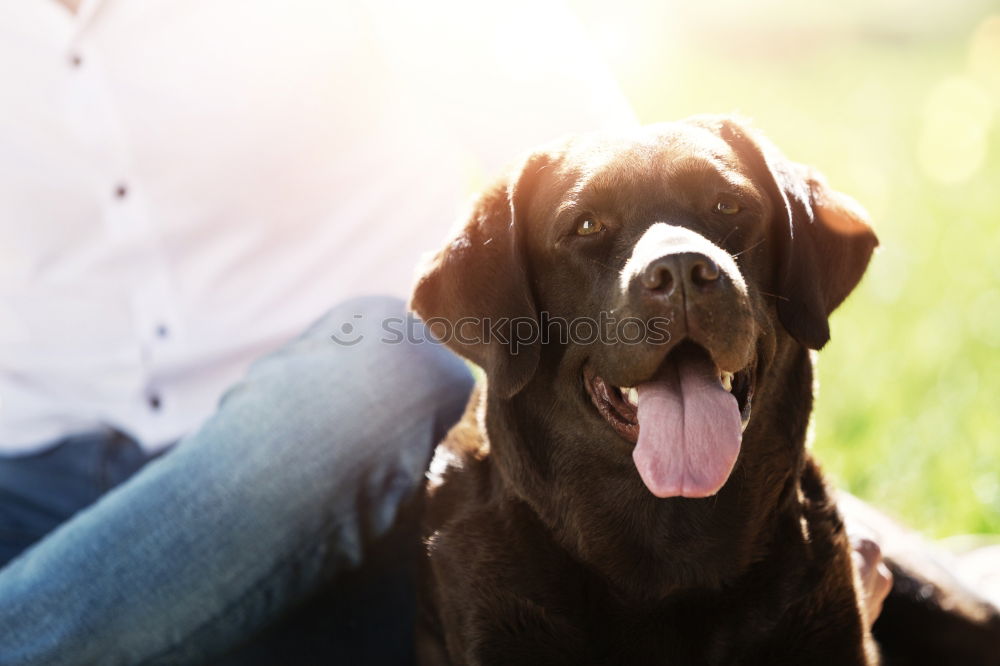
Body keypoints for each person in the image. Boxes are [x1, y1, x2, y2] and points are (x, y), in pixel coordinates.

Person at [0, 1, 891, 664]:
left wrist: (784, 501)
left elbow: (623, 195)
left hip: (337, 470)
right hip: (25, 482)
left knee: (381, 360)